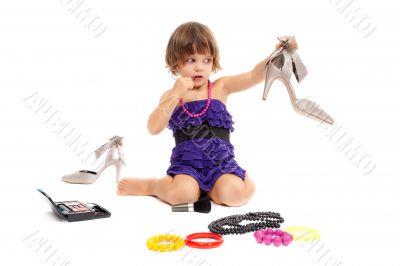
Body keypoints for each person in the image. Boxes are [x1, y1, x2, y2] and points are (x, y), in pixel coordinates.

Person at [117, 21, 297, 206]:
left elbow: (253, 75)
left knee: (234, 195)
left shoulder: (221, 87)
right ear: (175, 62)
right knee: (183, 195)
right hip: (187, 166)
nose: (200, 67)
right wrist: (175, 94)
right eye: (191, 60)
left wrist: (278, 53)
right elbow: (153, 127)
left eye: (207, 60)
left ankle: (243, 180)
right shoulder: (172, 96)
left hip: (221, 165)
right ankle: (152, 186)